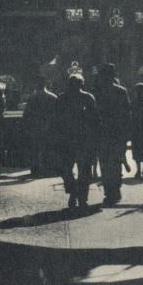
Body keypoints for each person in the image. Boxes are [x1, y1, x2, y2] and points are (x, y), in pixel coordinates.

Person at [54, 74, 98, 209]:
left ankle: (76, 194)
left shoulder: (65, 98)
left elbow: (55, 120)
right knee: (80, 170)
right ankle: (78, 195)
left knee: (68, 169)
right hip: (78, 140)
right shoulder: (86, 98)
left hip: (71, 140)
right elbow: (95, 121)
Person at [94, 64, 131, 206]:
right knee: (117, 162)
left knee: (104, 164)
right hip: (118, 134)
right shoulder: (121, 91)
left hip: (103, 133)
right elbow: (127, 114)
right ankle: (116, 190)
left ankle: (108, 192)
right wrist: (126, 134)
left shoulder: (97, 91)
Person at [23, 76, 57, 177]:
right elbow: (57, 115)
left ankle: (36, 170)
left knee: (35, 149)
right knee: (48, 148)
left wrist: (27, 128)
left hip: (35, 127)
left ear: (36, 84)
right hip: (49, 127)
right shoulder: (53, 97)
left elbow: (26, 115)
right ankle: (48, 169)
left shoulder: (32, 98)